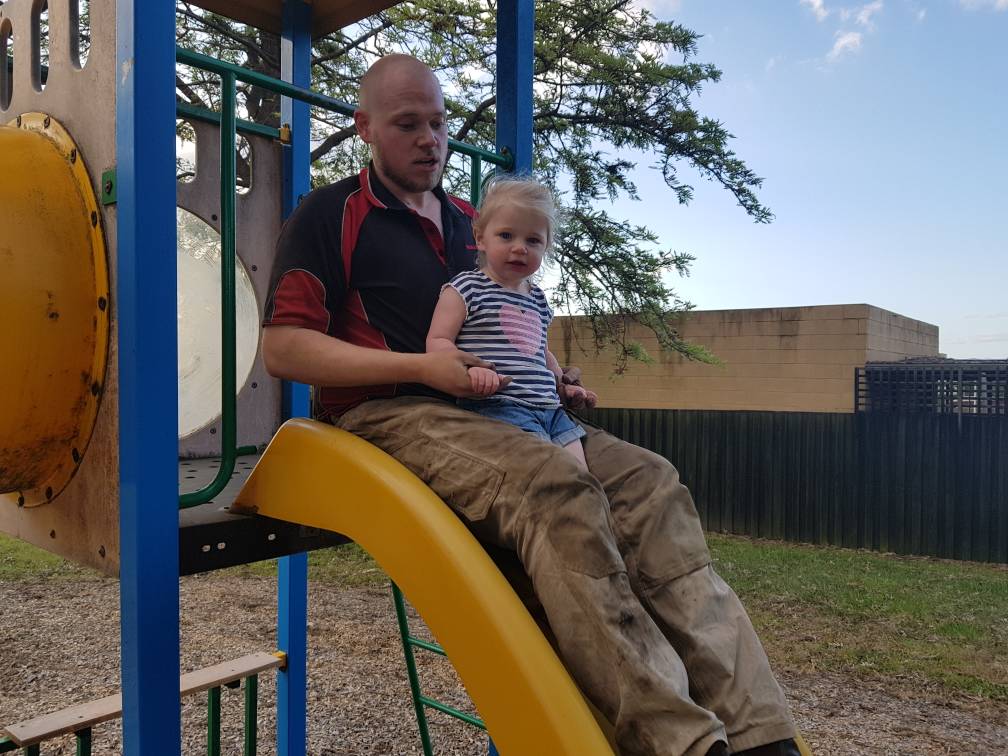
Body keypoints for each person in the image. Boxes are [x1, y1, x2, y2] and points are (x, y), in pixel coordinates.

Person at [262, 53, 800, 756]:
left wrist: (553, 375)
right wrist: (421, 365)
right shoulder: (330, 213)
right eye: (407, 124)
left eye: (438, 122)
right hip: (392, 411)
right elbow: (285, 348)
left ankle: (760, 733)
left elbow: (514, 322)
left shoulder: (476, 223)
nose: (430, 140)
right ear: (364, 127)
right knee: (552, 487)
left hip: (508, 408)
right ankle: (679, 741)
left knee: (652, 482)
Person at [426, 177, 593, 467]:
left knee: (581, 475)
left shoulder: (538, 299)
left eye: (533, 240)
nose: (519, 248)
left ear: (545, 246)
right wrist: (470, 369)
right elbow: (437, 341)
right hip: (498, 405)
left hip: (551, 410)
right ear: (480, 238)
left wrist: (564, 386)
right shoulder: (466, 288)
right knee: (550, 473)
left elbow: (540, 352)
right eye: (506, 235)